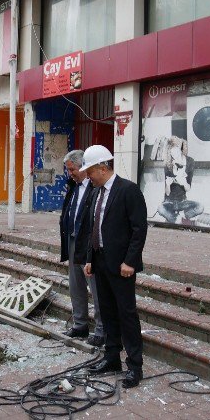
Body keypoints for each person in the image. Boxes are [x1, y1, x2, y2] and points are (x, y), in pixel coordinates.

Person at [82, 145, 147, 389]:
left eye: (90, 171)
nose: (87, 176)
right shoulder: (96, 192)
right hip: (100, 263)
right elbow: (94, 228)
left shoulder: (128, 190)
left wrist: (130, 261)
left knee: (126, 315)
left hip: (122, 266)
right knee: (107, 313)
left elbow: (139, 230)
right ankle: (112, 359)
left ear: (102, 167)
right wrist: (90, 258)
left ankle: (134, 366)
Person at [59, 150, 104, 347]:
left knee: (95, 287)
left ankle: (101, 329)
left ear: (83, 167)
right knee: (76, 285)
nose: (70, 173)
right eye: (68, 170)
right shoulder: (73, 186)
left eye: (72, 169)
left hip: (89, 244)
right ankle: (80, 324)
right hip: (72, 241)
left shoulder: (96, 188)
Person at [157, 136, 203, 223]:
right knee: (160, 209)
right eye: (172, 154)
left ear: (180, 148)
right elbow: (167, 192)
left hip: (183, 201)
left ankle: (180, 217)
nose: (175, 156)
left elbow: (188, 188)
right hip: (169, 201)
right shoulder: (168, 164)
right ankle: (178, 219)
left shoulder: (190, 162)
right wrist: (168, 184)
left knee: (200, 207)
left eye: (176, 151)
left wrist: (184, 183)